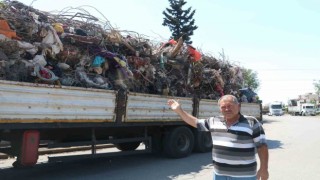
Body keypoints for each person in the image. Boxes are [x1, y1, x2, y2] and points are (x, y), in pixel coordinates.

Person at [167, 95, 269, 180]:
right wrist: (179, 111)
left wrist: (264, 169)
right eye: (223, 107)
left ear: (239, 106)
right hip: (220, 174)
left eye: (230, 106)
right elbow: (195, 122)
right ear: (219, 109)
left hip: (244, 175)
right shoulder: (214, 121)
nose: (227, 109)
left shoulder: (251, 122)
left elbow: (262, 147)